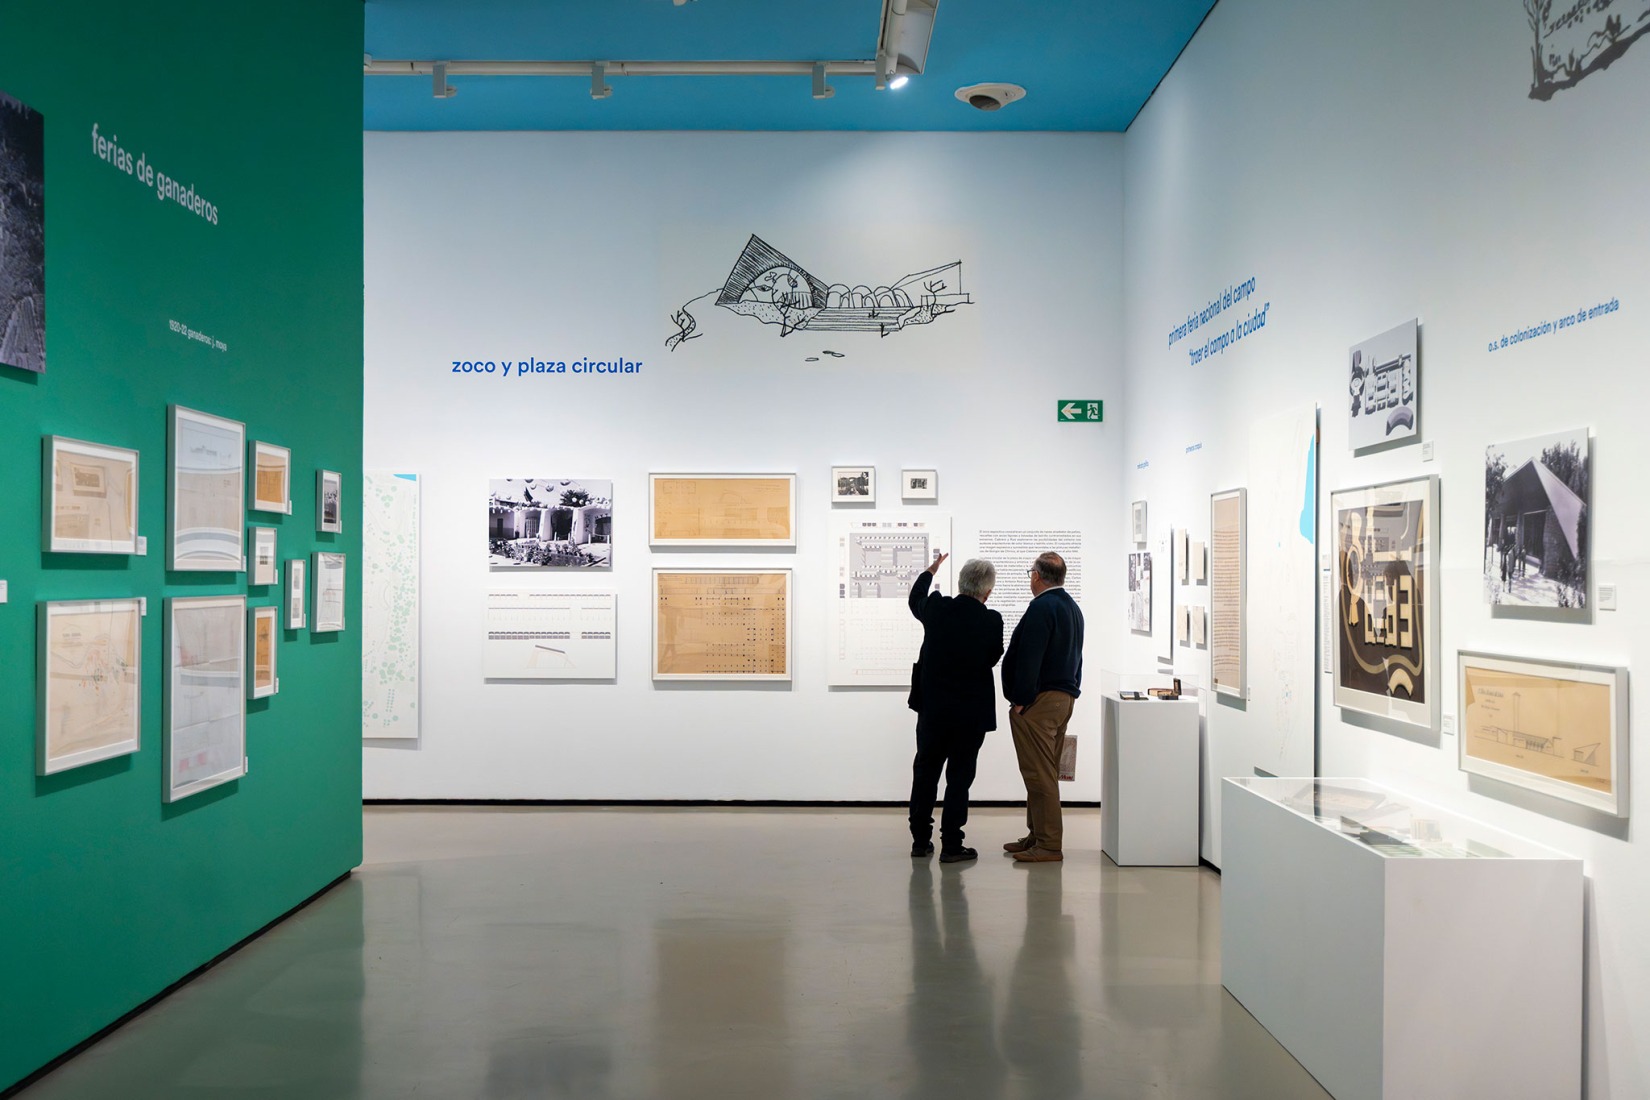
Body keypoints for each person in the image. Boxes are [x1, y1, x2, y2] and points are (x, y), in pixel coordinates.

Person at [907, 553, 1004, 863]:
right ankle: (951, 844)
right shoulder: (991, 620)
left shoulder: (936, 608)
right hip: (969, 717)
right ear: (987, 591)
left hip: (933, 712)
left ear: (961, 583)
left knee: (925, 773)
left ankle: (920, 841)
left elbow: (915, 599)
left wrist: (931, 570)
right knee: (959, 779)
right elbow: (992, 657)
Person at [1002, 551, 1083, 863]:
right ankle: (1036, 834)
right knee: (1043, 770)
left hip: (1040, 702)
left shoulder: (1042, 607)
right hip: (1063, 698)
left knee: (1039, 773)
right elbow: (1075, 657)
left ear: (1036, 575)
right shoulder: (1071, 607)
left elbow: (1029, 657)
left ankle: (1048, 844)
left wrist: (1021, 699)